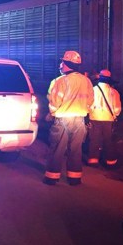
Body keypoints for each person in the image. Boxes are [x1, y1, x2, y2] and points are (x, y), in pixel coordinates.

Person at [44, 50, 93, 186]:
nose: (60, 65)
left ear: (66, 64)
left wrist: (52, 114)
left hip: (62, 120)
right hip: (79, 120)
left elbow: (54, 102)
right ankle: (74, 178)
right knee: (76, 150)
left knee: (57, 149)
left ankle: (52, 177)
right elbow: (90, 101)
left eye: (62, 62)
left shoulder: (59, 81)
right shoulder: (86, 81)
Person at [87, 69, 122, 168]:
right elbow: (117, 109)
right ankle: (110, 161)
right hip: (108, 119)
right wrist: (115, 115)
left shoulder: (92, 90)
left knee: (94, 139)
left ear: (99, 78)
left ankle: (93, 160)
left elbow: (88, 105)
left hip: (95, 118)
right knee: (108, 140)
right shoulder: (114, 92)